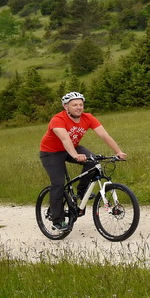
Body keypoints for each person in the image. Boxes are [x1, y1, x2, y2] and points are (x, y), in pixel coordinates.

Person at [39, 92, 128, 230]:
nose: (79, 107)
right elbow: (65, 139)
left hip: (72, 148)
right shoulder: (57, 119)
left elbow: (104, 135)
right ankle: (58, 220)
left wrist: (119, 152)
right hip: (51, 153)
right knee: (58, 183)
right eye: (74, 105)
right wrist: (75, 155)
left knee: (93, 162)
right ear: (66, 106)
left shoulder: (88, 118)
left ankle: (82, 191)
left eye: (81, 104)